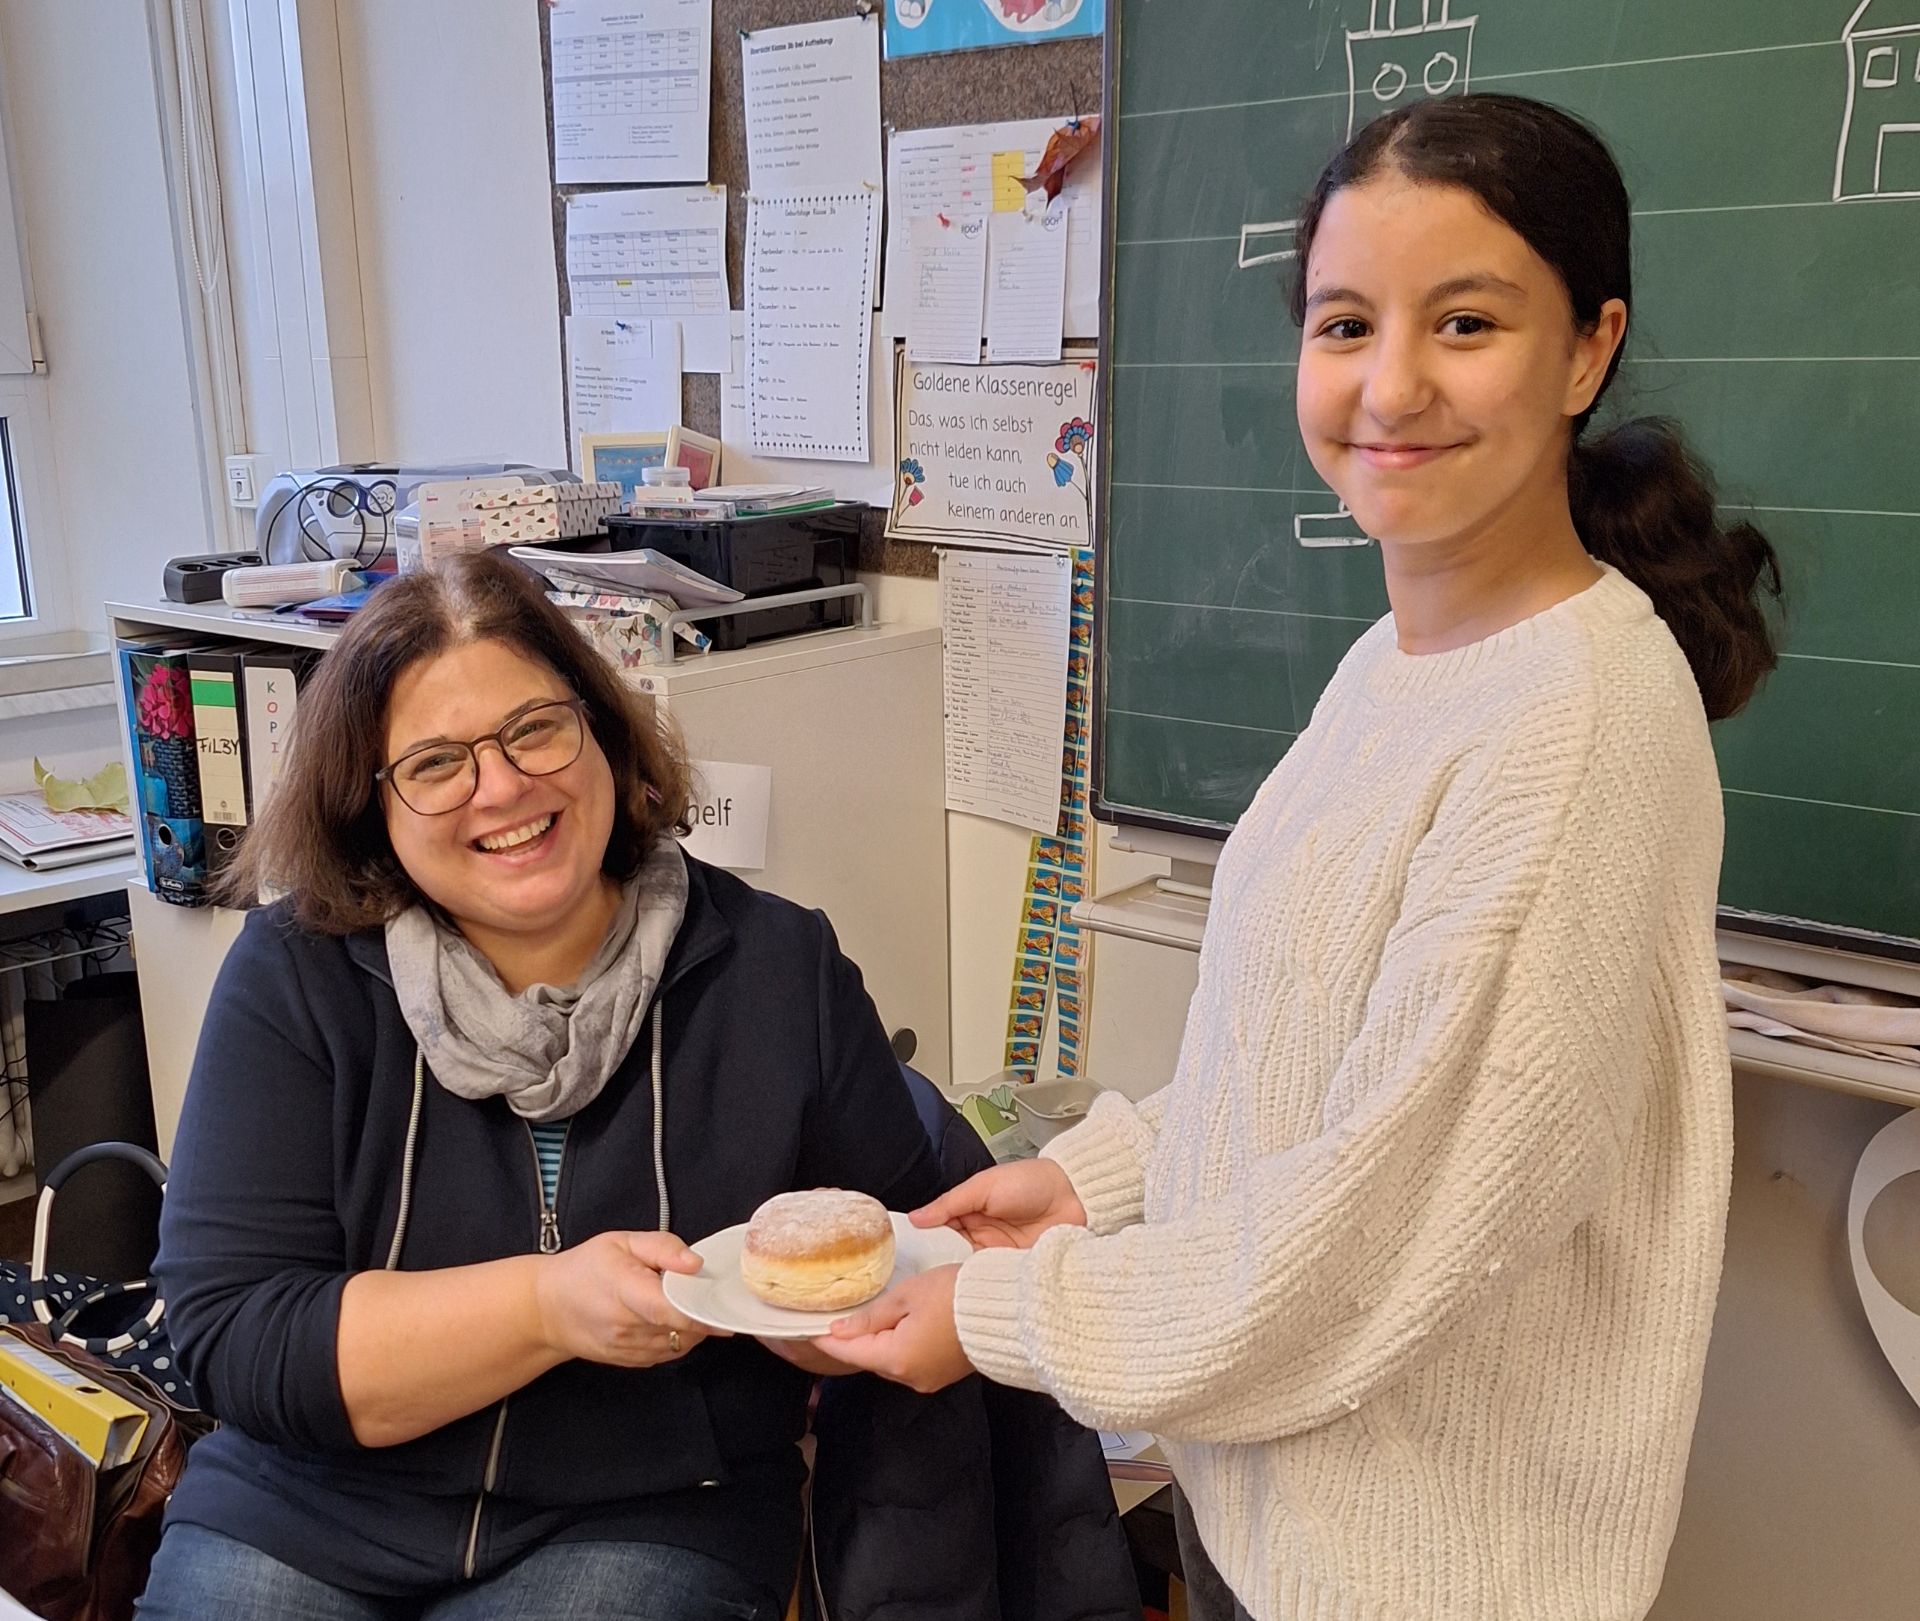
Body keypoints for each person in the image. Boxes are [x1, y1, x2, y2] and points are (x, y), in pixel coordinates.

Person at [821, 92, 1784, 1621]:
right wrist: (1094, 1181)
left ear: (1588, 350)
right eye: (1345, 324)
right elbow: (1304, 1064)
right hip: (1276, 1508)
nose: (1390, 386)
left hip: (1426, 1565)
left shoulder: (1575, 727)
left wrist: (1000, 1310)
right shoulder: (1402, 659)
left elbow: (1367, 1237)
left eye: (1466, 322)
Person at [138, 551, 948, 1620]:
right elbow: (235, 1333)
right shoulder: (297, 974)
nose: (505, 785)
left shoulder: (774, 967)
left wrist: (819, 1323)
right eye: (435, 763)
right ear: (371, 803)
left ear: (601, 730)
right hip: (310, 1505)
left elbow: (894, 1254)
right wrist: (547, 1305)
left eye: (534, 729)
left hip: (648, 1512)